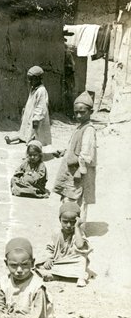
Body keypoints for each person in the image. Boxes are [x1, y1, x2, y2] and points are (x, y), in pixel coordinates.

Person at [53, 91, 96, 222]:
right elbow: (74, 145)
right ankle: (68, 225)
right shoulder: (80, 127)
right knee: (69, 197)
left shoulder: (89, 129)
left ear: (91, 112)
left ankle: (77, 229)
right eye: (76, 112)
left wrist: (80, 170)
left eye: (82, 112)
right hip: (72, 170)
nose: (78, 115)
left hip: (78, 173)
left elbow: (86, 153)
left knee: (77, 199)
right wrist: (65, 151)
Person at [36, 202, 92, 288]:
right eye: (65, 222)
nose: (69, 225)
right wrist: (49, 258)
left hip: (73, 261)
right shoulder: (56, 233)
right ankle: (57, 275)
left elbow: (80, 246)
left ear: (77, 221)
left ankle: (78, 277)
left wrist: (77, 227)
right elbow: (49, 248)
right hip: (59, 261)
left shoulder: (78, 233)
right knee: (41, 263)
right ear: (60, 220)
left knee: (82, 260)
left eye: (72, 222)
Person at [5, 66, 52, 147]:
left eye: (32, 79)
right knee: (25, 132)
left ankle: (33, 153)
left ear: (38, 78)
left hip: (36, 119)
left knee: (35, 137)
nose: (29, 81)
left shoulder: (41, 91)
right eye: (29, 78)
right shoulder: (33, 89)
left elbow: (41, 108)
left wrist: (36, 120)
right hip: (30, 116)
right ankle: (15, 140)